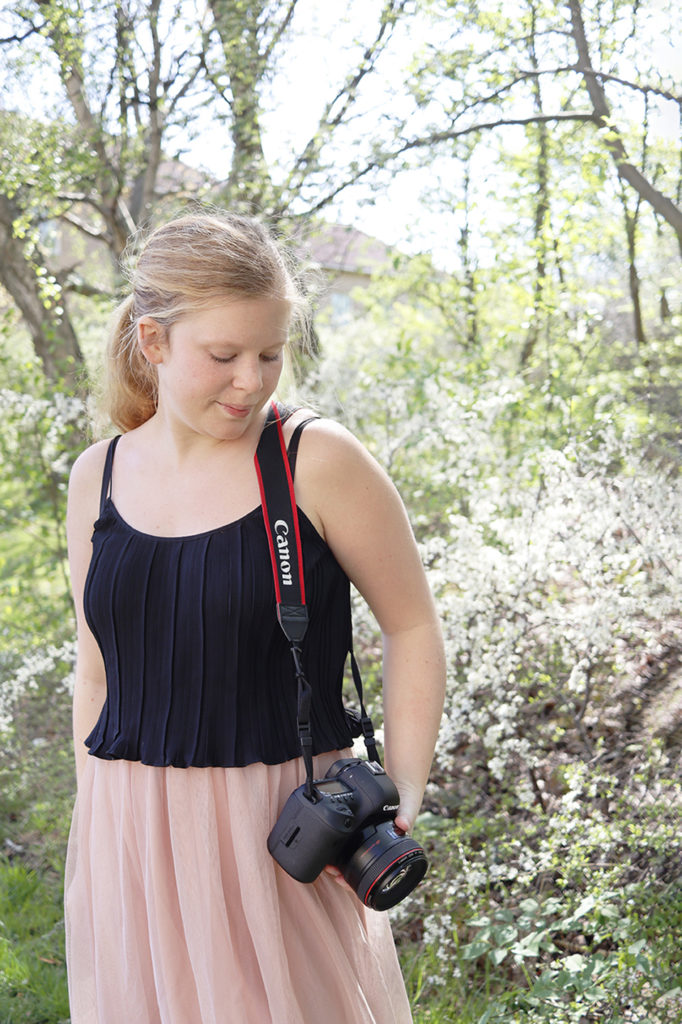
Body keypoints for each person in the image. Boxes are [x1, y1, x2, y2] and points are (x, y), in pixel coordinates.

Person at [64, 210, 446, 1024]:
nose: (252, 380)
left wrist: (405, 785)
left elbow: (413, 626)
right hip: (130, 833)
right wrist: (97, 829)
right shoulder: (94, 479)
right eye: (225, 356)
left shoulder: (316, 458)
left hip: (278, 837)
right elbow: (95, 669)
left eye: (270, 354)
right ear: (153, 342)